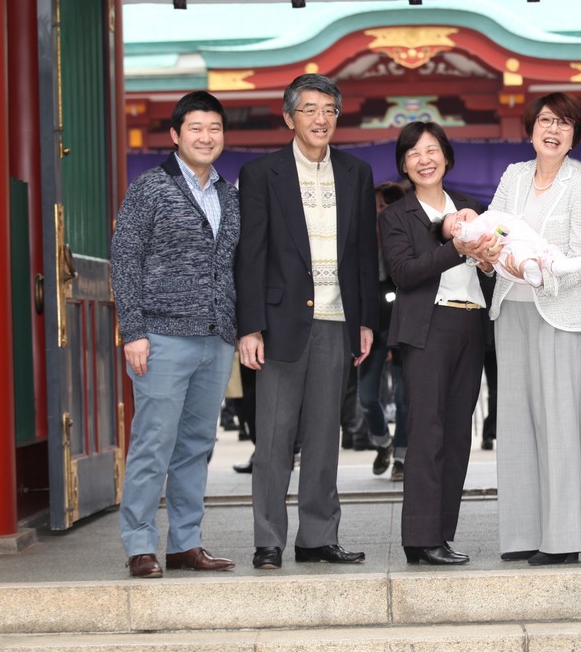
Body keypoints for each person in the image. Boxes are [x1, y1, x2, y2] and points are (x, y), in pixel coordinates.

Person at [235, 73, 378, 571]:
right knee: (273, 439)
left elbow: (363, 253)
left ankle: (318, 536)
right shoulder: (261, 174)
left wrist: (363, 320)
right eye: (311, 109)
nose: (321, 119)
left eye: (330, 110)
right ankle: (268, 539)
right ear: (289, 116)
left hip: (338, 321)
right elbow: (249, 255)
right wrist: (249, 326)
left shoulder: (357, 172)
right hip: (279, 324)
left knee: (324, 436)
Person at [111, 90, 239, 579]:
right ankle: (140, 543)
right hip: (161, 337)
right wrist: (133, 331)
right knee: (153, 441)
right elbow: (124, 259)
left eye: (214, 129)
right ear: (176, 136)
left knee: (196, 445)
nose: (206, 137)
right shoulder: (151, 188)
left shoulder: (229, 194)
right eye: (196, 129)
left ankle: (186, 543)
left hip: (215, 338)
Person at [487, 93, 581, 566]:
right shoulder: (513, 176)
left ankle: (561, 540)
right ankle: (519, 534)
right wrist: (493, 253)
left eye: (564, 123)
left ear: (575, 134)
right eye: (545, 121)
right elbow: (492, 229)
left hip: (558, 312)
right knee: (514, 424)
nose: (553, 130)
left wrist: (541, 272)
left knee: (560, 425)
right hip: (508, 309)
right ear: (531, 128)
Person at [379, 121, 495, 566]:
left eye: (432, 151)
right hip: (426, 329)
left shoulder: (471, 206)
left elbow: (492, 262)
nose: (424, 160)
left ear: (446, 156)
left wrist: (486, 260)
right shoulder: (395, 215)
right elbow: (404, 273)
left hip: (469, 326)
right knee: (427, 434)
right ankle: (419, 538)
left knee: (457, 437)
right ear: (404, 165)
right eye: (414, 154)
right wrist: (457, 246)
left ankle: (442, 536)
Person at [358, 181, 408, 477]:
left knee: (404, 398)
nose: (382, 212)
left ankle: (402, 456)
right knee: (366, 396)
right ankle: (383, 443)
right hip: (371, 327)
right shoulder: (362, 240)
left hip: (402, 325)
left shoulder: (407, 236)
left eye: (387, 205)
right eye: (377, 206)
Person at [440, 207, 581, 287]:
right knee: (522, 255)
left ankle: (558, 265)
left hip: (527, 239)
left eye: (456, 214)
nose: (459, 217)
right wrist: (463, 231)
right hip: (509, 249)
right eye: (455, 225)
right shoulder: (477, 231)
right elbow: (474, 231)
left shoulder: (487, 214)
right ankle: (532, 271)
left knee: (548, 249)